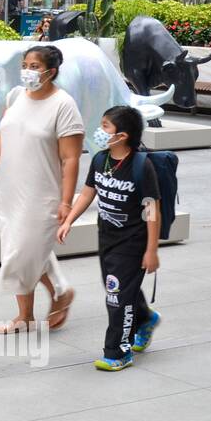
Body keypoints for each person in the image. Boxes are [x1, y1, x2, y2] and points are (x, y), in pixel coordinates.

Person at [0, 44, 86, 334]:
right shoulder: (15, 96)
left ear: (52, 71)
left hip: (42, 192)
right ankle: (27, 314)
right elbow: (0, 137)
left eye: (34, 66)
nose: (28, 71)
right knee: (18, 248)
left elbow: (70, 158)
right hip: (9, 189)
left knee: (23, 251)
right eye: (25, 64)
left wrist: (66, 201)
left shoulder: (64, 105)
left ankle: (59, 292)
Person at [58, 105, 163, 371]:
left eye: (105, 126)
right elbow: (87, 193)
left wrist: (152, 250)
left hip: (133, 241)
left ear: (123, 135)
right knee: (117, 289)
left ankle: (118, 351)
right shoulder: (100, 159)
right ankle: (146, 318)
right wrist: (69, 219)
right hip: (107, 237)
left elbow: (152, 211)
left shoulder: (142, 166)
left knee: (116, 296)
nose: (100, 130)